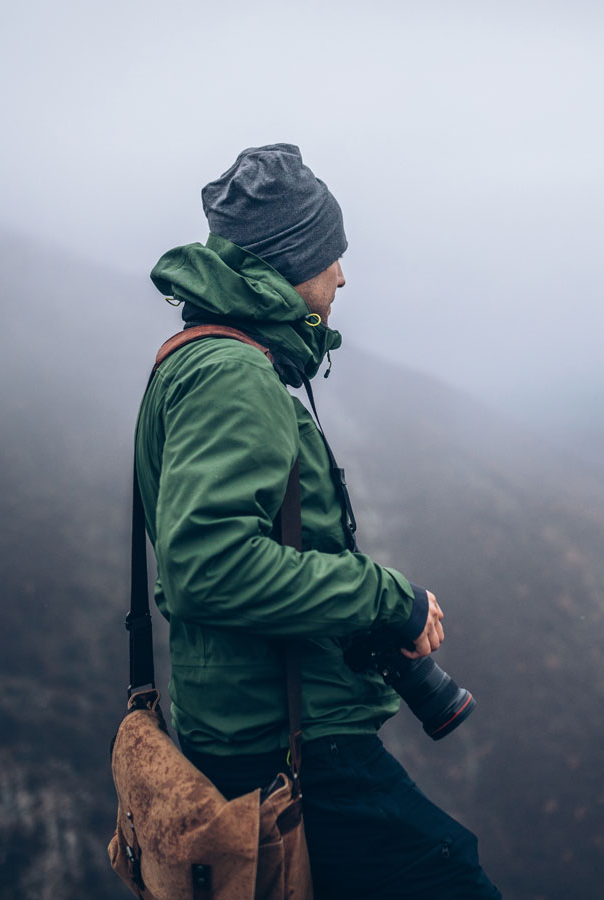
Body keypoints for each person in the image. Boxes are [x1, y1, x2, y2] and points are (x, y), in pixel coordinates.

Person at [135, 144, 501, 899]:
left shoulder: (195, 359)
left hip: (249, 726)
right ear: (290, 260)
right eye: (331, 255)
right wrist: (384, 598)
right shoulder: (232, 375)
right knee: (452, 880)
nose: (341, 276)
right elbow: (209, 567)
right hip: (284, 745)